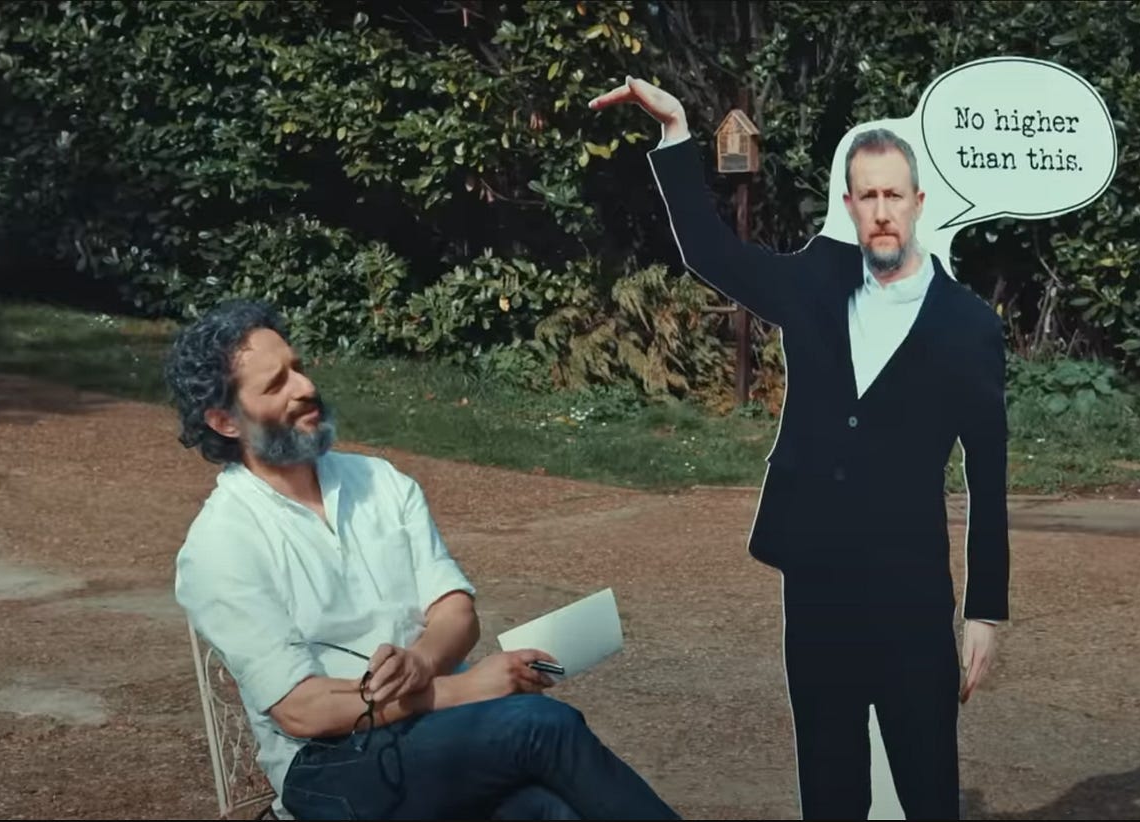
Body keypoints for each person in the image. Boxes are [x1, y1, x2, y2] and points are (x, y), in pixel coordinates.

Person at [589, 78, 1010, 820]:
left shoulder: (968, 325)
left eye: (894, 195)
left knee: (926, 783)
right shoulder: (815, 279)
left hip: (911, 590)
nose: (881, 211)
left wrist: (985, 611)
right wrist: (678, 135)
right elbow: (711, 252)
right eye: (866, 195)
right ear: (849, 206)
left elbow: (988, 472)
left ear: (918, 203)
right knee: (830, 777)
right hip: (816, 579)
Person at [166, 299, 679, 821]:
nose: (304, 388)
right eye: (276, 385)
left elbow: (455, 611)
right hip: (329, 766)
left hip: (436, 735)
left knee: (545, 810)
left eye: (298, 368)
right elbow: (303, 711)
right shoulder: (220, 543)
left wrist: (422, 662)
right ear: (224, 421)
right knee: (539, 725)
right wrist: (461, 688)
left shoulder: (381, 482)